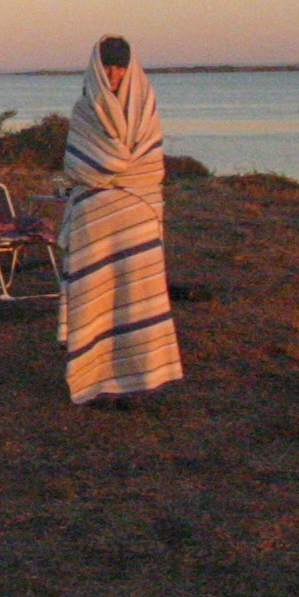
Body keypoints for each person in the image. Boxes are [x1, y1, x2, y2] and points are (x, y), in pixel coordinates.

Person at [56, 36, 183, 404]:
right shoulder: (85, 109)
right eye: (107, 68)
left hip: (136, 218)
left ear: (130, 68)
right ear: (96, 68)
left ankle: (140, 378)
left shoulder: (145, 105)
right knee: (95, 302)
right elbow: (80, 165)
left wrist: (108, 174)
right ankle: (96, 379)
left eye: (120, 67)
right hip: (96, 221)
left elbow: (149, 165)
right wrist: (113, 173)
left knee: (137, 299)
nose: (114, 75)